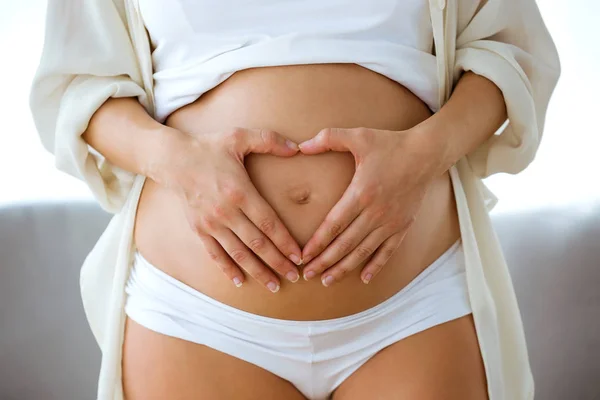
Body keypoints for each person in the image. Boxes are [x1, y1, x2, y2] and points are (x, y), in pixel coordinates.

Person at [29, 0, 560, 399]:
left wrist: (422, 154)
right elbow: (81, 82)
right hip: (197, 319)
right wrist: (180, 164)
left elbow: (506, 52)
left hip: (413, 305)